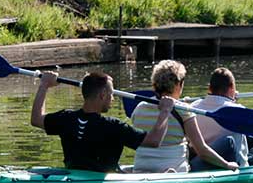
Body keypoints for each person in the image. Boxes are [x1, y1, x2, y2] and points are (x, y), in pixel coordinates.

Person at [30, 70, 175, 173]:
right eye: (111, 94)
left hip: (74, 177)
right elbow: (155, 141)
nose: (112, 99)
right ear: (103, 95)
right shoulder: (114, 126)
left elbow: (36, 119)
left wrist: (44, 86)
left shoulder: (66, 118)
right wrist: (165, 112)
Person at [131, 60, 239, 173]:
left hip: (141, 170)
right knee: (228, 142)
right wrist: (227, 165)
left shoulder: (139, 108)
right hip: (176, 172)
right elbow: (201, 150)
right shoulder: (183, 110)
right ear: (178, 84)